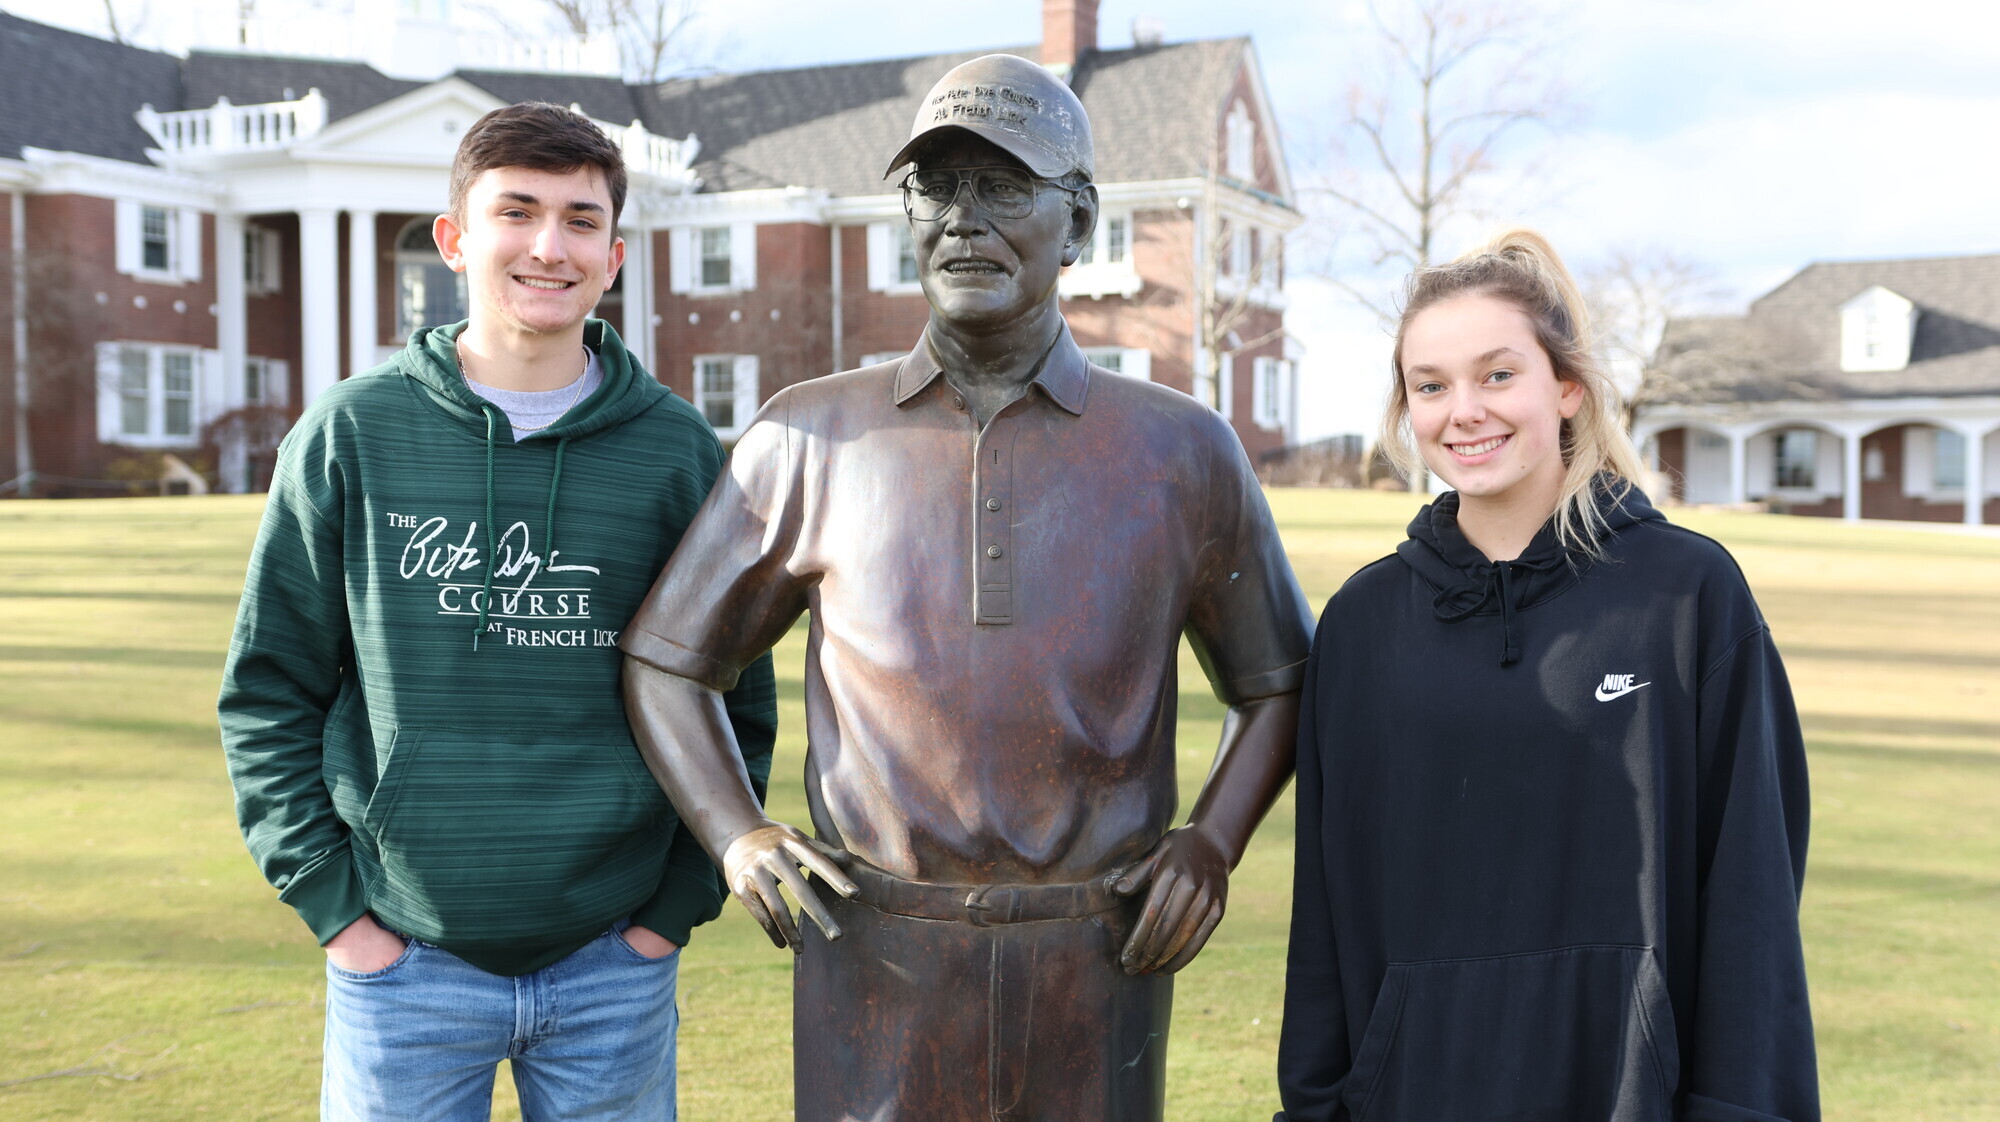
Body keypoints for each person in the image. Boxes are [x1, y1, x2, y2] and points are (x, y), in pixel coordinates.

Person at [619, 53, 1313, 1122]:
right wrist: (736, 831)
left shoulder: (1181, 452)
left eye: (1003, 190)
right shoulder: (808, 435)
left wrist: (1211, 844)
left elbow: (1277, 680)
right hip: (873, 966)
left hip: (1100, 963)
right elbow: (669, 657)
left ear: (1077, 224)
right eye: (937, 189)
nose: (962, 220)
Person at [218, 101, 775, 1121]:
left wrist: (671, 910)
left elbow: (732, 699)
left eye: (578, 219)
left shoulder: (678, 455)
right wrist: (339, 912)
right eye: (516, 212)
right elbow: (269, 693)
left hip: (613, 959)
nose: (547, 246)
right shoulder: (351, 434)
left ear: (614, 254)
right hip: (403, 962)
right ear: (455, 238)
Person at [1275, 229, 1818, 1121]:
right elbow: (1325, 921)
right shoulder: (1363, 627)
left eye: (1498, 375)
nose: (1464, 412)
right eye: (1432, 385)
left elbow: (1751, 895)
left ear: (1565, 386)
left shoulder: (1686, 596)